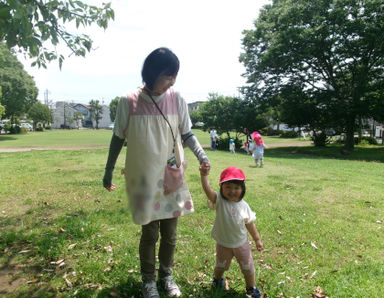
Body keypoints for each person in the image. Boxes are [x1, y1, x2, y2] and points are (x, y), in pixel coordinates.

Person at [103, 47, 211, 298]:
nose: (172, 80)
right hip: (142, 178)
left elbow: (187, 133)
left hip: (171, 175)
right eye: (167, 75)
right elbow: (117, 137)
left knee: (170, 235)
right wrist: (108, 170)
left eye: (175, 75)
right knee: (149, 234)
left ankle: (167, 275)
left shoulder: (177, 99)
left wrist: (202, 155)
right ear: (151, 73)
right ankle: (148, 280)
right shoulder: (128, 101)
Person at [199, 166, 264, 298]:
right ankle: (217, 280)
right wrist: (204, 176)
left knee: (248, 267)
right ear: (221, 187)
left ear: (242, 189)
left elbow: (250, 224)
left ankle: (251, 288)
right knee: (220, 266)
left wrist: (257, 239)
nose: (232, 191)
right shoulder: (219, 201)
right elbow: (207, 191)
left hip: (241, 244)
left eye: (236, 187)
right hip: (223, 243)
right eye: (228, 186)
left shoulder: (244, 206)